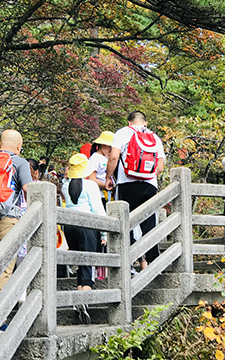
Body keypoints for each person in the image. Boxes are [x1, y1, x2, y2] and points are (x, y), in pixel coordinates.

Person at [105, 111, 165, 269]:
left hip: (126, 183)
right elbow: (160, 167)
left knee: (125, 222)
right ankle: (153, 264)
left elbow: (113, 157)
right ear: (145, 123)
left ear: (129, 122)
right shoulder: (155, 138)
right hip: (150, 184)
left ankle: (126, 262)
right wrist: (148, 176)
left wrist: (108, 178)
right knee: (149, 224)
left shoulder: (123, 133)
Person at [61, 154, 107, 324]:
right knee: (88, 263)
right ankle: (83, 300)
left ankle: (80, 298)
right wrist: (104, 233)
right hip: (87, 227)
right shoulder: (90, 185)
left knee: (81, 263)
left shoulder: (65, 186)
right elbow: (98, 210)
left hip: (70, 227)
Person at [0, 130, 33, 295]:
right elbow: (27, 188)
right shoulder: (20, 162)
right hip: (8, 218)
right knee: (4, 268)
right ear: (19, 146)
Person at [87, 131, 115, 206]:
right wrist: (105, 186)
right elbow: (92, 178)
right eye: (110, 146)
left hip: (108, 195)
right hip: (99, 195)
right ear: (103, 144)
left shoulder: (106, 158)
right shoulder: (95, 158)